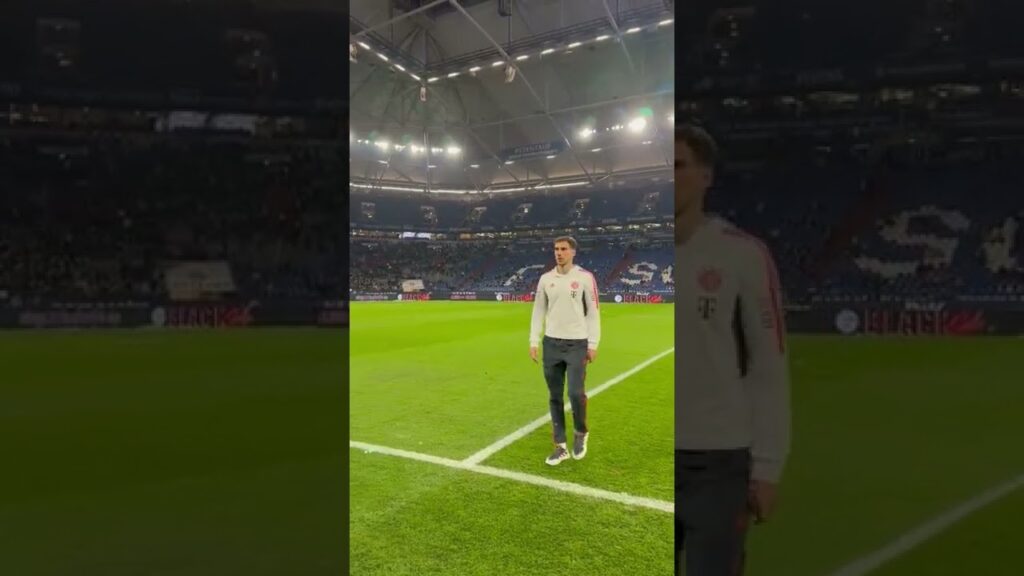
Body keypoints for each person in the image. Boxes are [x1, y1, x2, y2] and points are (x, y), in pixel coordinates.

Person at [675, 124, 791, 575]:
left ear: (706, 176)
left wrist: (767, 467)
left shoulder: (742, 255)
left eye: (679, 165)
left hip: (718, 462)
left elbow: (769, 365)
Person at [529, 236, 602, 466]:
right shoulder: (545, 279)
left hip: (577, 344)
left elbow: (593, 312)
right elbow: (538, 311)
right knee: (554, 396)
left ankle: (581, 432)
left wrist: (593, 344)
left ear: (573, 252)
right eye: (556, 249)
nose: (558, 253)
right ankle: (560, 446)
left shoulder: (584, 278)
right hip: (551, 344)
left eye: (563, 249)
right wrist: (534, 340)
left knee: (575, 393)